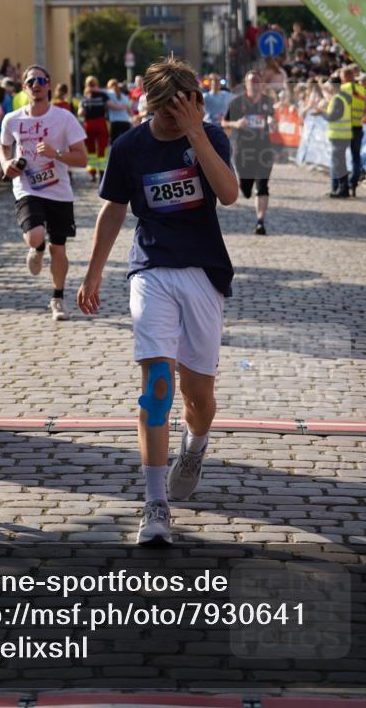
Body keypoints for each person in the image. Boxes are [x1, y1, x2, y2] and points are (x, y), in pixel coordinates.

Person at [78, 57, 237, 545]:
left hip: (203, 272)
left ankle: (196, 445)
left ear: (195, 104)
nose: (172, 120)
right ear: (149, 104)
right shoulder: (130, 147)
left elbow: (229, 194)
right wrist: (94, 272)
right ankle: (155, 504)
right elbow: (113, 211)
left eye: (182, 111)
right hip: (150, 269)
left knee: (200, 398)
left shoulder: (211, 137)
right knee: (158, 383)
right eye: (165, 112)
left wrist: (196, 136)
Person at [0, 65, 87, 321]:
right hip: (27, 187)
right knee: (35, 234)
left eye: (41, 80)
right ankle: (36, 248)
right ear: (24, 88)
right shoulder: (12, 119)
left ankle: (57, 298)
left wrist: (55, 153)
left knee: (58, 250)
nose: (36, 84)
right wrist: (6, 164)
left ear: (48, 85)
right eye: (30, 81)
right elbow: (4, 147)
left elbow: (82, 158)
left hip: (58, 190)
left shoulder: (64, 118)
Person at [223, 70, 275, 234]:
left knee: (262, 186)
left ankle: (260, 222)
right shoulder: (237, 102)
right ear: (245, 84)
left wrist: (272, 122)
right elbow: (224, 122)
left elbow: (272, 119)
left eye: (257, 81)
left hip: (264, 150)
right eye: (251, 81)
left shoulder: (267, 101)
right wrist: (236, 124)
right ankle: (245, 186)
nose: (254, 84)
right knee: (245, 189)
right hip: (243, 150)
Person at [314, 76, 352, 198]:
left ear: (333, 86)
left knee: (339, 164)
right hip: (342, 136)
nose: (327, 87)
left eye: (328, 85)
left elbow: (332, 117)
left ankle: (342, 190)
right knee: (340, 163)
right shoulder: (342, 97)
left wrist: (321, 112)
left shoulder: (338, 99)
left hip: (339, 136)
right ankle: (341, 189)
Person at [340, 65, 366, 195]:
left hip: (345, 127)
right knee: (356, 157)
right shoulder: (362, 89)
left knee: (341, 157)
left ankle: (343, 186)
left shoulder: (343, 89)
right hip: (358, 127)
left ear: (346, 77)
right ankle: (353, 184)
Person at [78, 75, 110, 181]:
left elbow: (80, 113)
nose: (91, 86)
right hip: (95, 123)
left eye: (92, 84)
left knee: (96, 150)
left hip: (94, 123)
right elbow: (80, 112)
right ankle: (96, 173)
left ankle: (97, 173)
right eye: (90, 84)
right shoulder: (87, 97)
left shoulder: (97, 96)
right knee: (96, 149)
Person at [106, 79, 133, 144]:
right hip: (126, 121)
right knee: (126, 143)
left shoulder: (108, 94)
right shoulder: (124, 96)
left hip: (115, 122)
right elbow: (129, 110)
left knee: (114, 143)